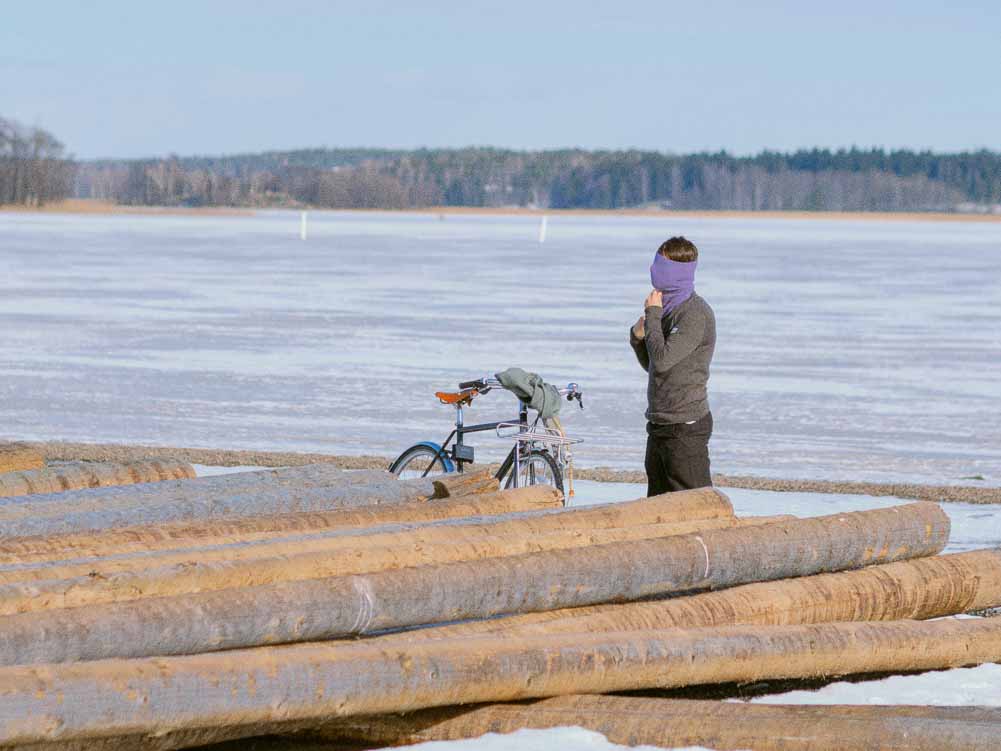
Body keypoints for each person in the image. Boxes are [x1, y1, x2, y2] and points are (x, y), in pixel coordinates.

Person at [629, 236, 716, 495]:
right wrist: (638, 338)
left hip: (685, 425)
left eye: (660, 264)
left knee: (694, 503)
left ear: (677, 272)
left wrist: (652, 315)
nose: (653, 270)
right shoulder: (665, 310)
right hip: (659, 423)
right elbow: (654, 366)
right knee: (657, 503)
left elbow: (664, 360)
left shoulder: (694, 314)